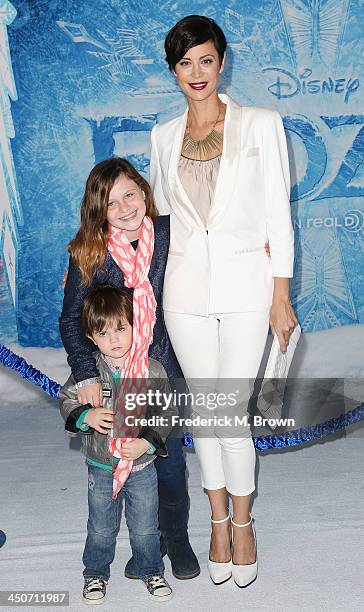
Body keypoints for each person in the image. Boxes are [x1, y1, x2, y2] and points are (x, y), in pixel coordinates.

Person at [150, 14, 297, 587]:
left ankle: (242, 522)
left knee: (229, 416)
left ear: (222, 61)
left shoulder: (262, 124)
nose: (196, 72)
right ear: (174, 71)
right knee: (207, 420)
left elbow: (278, 218)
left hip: (247, 290)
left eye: (205, 60)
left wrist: (280, 296)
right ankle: (215, 522)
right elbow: (162, 221)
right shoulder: (163, 136)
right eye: (185, 63)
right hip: (183, 294)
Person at [59, 158, 200, 580]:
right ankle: (148, 540)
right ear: (98, 211)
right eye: (111, 202)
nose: (123, 208)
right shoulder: (90, 252)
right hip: (115, 373)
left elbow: (221, 243)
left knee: (168, 463)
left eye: (130, 195)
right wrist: (86, 375)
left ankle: (175, 537)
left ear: (144, 192)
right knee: (124, 461)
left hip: (163, 370)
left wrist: (260, 248)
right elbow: (70, 320)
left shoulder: (173, 233)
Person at [60, 285, 176, 604]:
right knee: (100, 527)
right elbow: (68, 399)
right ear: (91, 337)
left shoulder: (151, 369)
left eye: (121, 329)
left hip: (141, 468)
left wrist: (146, 443)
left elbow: (167, 410)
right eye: (104, 332)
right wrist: (86, 416)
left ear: (135, 326)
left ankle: (151, 570)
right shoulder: (89, 374)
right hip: (101, 467)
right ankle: (95, 575)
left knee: (145, 527)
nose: (114, 339)